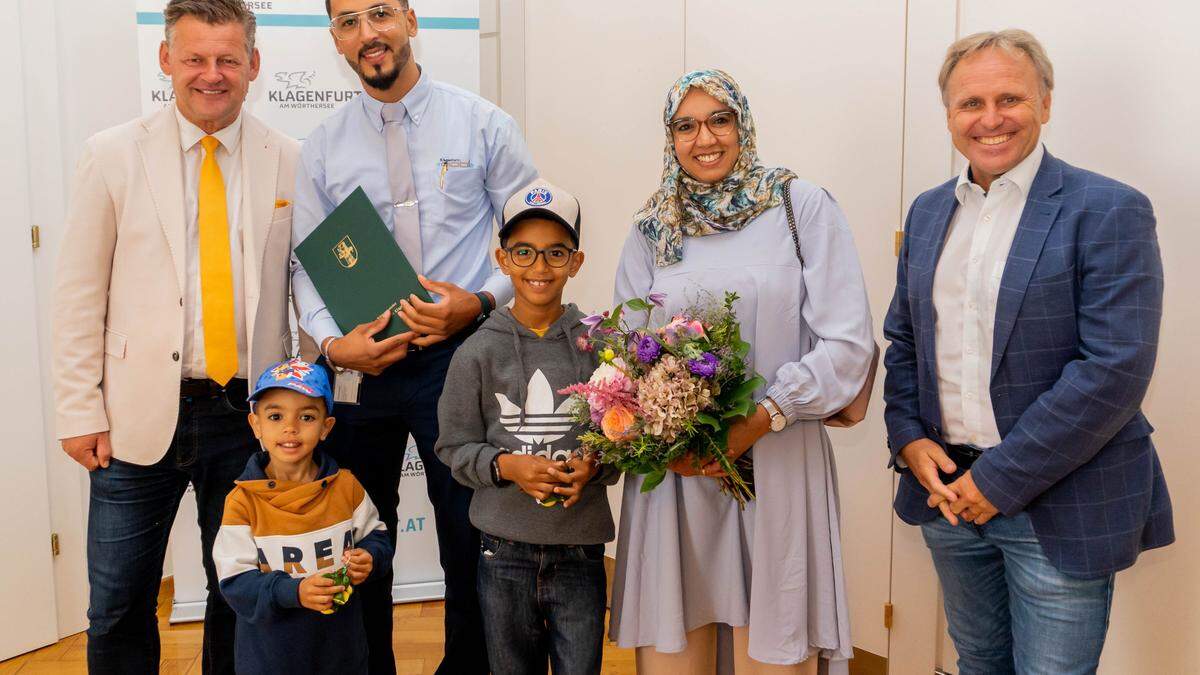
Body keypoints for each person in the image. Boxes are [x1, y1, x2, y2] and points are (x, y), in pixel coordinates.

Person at [883, 29, 1173, 675]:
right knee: (979, 661)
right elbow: (905, 339)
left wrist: (1000, 478)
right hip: (947, 498)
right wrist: (906, 436)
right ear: (949, 114)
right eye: (970, 103)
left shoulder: (1108, 209)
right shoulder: (930, 211)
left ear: (1045, 103)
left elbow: (1114, 367)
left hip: (1059, 503)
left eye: (1009, 98)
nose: (990, 119)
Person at [50, 1, 299, 672]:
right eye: (194, 58)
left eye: (226, 59)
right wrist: (80, 410)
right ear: (166, 60)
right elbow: (78, 295)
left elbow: (317, 288)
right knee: (118, 600)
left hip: (250, 413)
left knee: (239, 591)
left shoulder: (292, 160)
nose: (210, 75)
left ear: (253, 64)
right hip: (135, 418)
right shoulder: (111, 155)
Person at [292, 1, 538, 671]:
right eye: (349, 21)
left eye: (379, 13)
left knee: (468, 536)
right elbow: (306, 265)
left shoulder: (483, 123)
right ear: (336, 40)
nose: (368, 33)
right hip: (361, 368)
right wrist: (331, 343)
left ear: (408, 18)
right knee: (362, 538)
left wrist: (481, 299)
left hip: (462, 360)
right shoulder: (323, 146)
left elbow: (533, 239)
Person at [608, 69, 874, 674]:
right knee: (680, 644)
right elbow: (626, 348)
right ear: (669, 137)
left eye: (719, 119)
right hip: (678, 473)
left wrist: (761, 417)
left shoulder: (798, 206)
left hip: (775, 457)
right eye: (686, 125)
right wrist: (662, 440)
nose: (705, 138)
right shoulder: (654, 227)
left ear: (743, 125)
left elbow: (848, 345)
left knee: (772, 644)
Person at [435, 179, 619, 674]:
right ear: (503, 259)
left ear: (576, 262)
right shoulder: (475, 352)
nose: (539, 267)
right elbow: (453, 446)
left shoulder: (602, 346)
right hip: (501, 553)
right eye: (524, 252)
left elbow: (625, 440)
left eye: (555, 253)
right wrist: (505, 465)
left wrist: (595, 463)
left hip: (581, 550)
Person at [213, 358, 393, 675]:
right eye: (275, 416)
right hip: (270, 658)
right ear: (255, 425)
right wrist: (293, 592)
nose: (290, 427)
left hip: (342, 653)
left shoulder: (346, 486)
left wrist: (371, 557)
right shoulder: (241, 503)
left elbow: (377, 538)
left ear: (327, 427)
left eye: (307, 416)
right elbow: (236, 584)